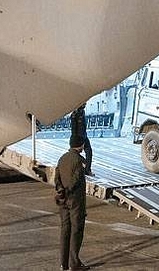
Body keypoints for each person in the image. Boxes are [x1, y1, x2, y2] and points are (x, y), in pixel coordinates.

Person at [55, 133, 90, 270]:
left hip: (63, 199)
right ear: (80, 145)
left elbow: (57, 177)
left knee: (65, 231)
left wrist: (61, 191)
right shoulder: (79, 160)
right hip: (75, 201)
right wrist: (69, 191)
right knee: (76, 230)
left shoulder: (62, 158)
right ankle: (74, 263)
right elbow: (76, 180)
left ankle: (63, 264)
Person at [71, 104, 94, 176]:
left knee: (89, 152)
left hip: (83, 135)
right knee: (75, 154)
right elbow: (74, 128)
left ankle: (87, 169)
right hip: (78, 137)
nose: (85, 104)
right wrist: (76, 139)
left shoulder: (82, 112)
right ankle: (77, 167)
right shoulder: (75, 114)